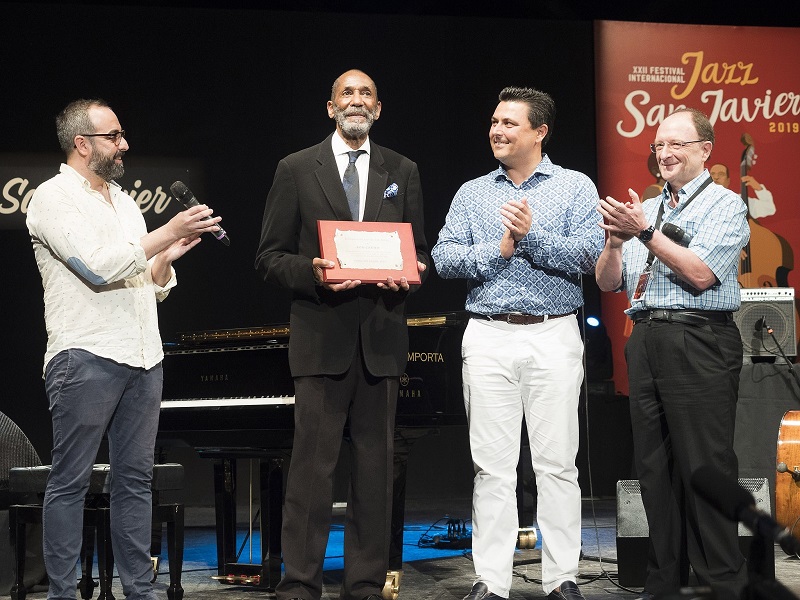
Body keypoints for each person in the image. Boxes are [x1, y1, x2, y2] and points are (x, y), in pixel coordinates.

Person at [26, 98, 222, 600]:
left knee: (135, 479)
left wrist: (166, 257)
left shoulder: (125, 201)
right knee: (71, 480)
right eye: (113, 136)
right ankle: (63, 594)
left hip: (144, 356)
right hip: (85, 355)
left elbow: (145, 283)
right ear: (81, 143)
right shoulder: (51, 198)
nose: (124, 144)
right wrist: (166, 232)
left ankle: (139, 590)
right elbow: (96, 268)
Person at [254, 69, 428, 600]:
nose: (357, 101)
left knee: (375, 472)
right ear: (330, 108)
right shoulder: (296, 168)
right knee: (311, 471)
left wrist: (410, 272)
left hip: (381, 342)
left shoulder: (403, 169)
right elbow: (269, 257)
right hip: (320, 341)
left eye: (366, 94)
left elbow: (419, 250)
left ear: (379, 108)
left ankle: (365, 584)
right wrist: (314, 271)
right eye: (346, 94)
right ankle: (300, 584)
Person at [431, 86, 603, 600]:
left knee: (557, 465)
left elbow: (589, 255)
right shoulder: (473, 192)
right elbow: (444, 258)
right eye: (494, 122)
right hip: (488, 334)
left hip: (553, 331)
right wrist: (499, 249)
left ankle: (562, 578)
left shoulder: (574, 186)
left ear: (539, 132)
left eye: (509, 123)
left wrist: (532, 238)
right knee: (492, 468)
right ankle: (491, 581)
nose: (497, 131)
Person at [595, 108, 750, 600]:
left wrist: (644, 233)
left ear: (705, 150)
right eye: (659, 145)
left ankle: (723, 585)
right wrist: (614, 243)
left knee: (705, 468)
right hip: (646, 338)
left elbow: (701, 274)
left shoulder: (725, 204)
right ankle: (663, 584)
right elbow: (610, 283)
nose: (664, 153)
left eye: (676, 144)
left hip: (698, 339)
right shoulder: (646, 207)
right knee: (654, 471)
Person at [710, 161, 776, 218]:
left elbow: (769, 208)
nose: (716, 177)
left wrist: (759, 188)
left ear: (728, 181)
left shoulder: (739, 201)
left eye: (721, 174)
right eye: (712, 174)